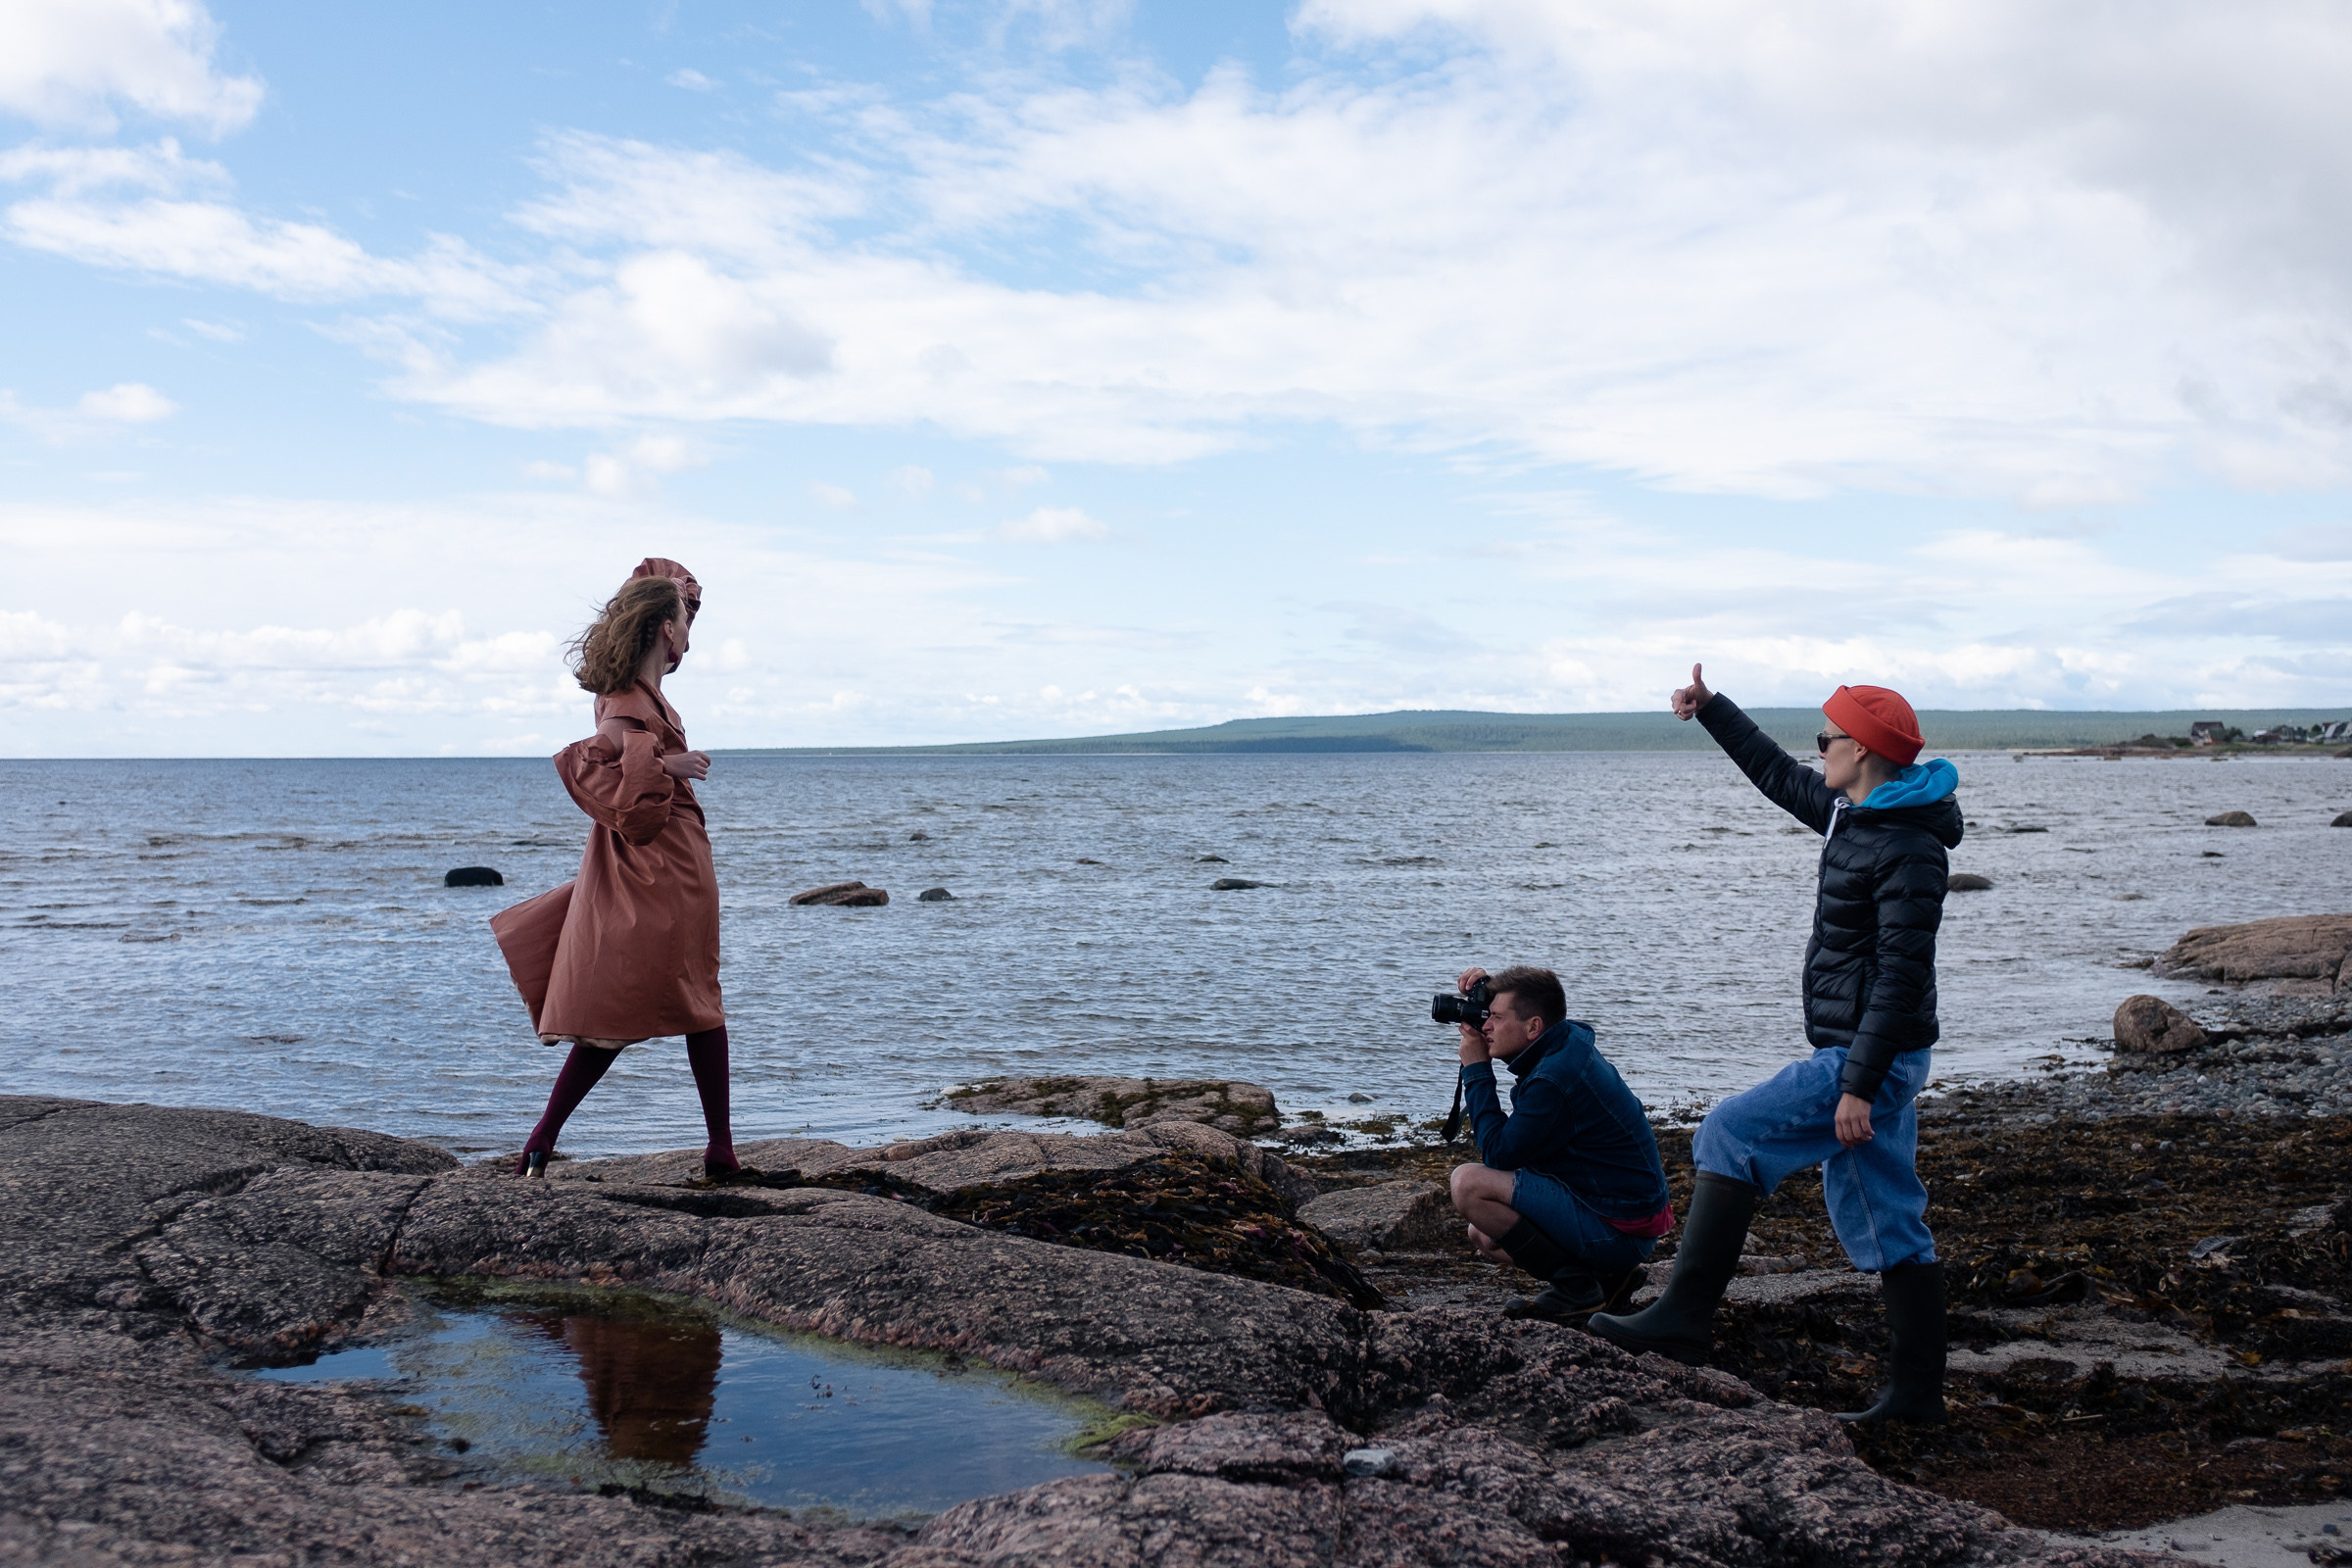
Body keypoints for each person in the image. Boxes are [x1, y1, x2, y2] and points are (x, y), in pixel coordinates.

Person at [1588, 663, 1960, 1427]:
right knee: (1889, 1216)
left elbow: (1899, 979)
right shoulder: (1850, 814)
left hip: (1868, 1055)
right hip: (1871, 1054)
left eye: (1827, 738)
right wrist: (1714, 708)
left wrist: (1857, 1083)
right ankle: (1918, 1399)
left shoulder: (1910, 850)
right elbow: (1772, 773)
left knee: (1730, 1131)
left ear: (1862, 750)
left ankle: (1684, 1320)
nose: (1817, 750)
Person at [488, 558, 739, 1180]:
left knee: (668, 1002)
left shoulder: (637, 691)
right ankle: (717, 1151)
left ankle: (545, 1139)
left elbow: (664, 589)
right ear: (662, 628)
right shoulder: (625, 703)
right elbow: (612, 785)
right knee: (680, 1001)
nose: (690, 632)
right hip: (656, 864)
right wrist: (665, 763)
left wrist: (673, 591)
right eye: (683, 621)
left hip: (666, 864)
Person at [1448, 964, 1674, 1323]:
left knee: (1468, 1185)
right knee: (1484, 1232)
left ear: (1534, 1026)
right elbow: (1533, 1005)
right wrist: (1490, 992)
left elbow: (1497, 1153)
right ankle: (1606, 1281)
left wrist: (1476, 1069)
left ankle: (1577, 1290)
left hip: (1618, 1232)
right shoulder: (1565, 1044)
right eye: (1486, 1014)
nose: (1485, 1026)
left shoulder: (1555, 1079)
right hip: (1624, 1218)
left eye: (1495, 1017)